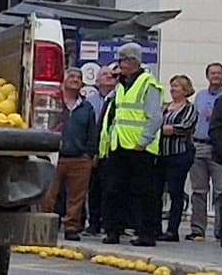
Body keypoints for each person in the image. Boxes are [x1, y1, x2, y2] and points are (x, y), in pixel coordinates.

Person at [95, 50, 163, 244]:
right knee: (114, 190)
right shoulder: (121, 86)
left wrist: (143, 141)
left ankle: (147, 233)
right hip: (119, 146)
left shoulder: (148, 84)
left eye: (122, 61)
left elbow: (155, 117)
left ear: (132, 62)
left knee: (144, 192)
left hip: (140, 148)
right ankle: (113, 230)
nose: (120, 65)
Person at [178, 62, 222, 244]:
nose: (215, 76)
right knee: (198, 191)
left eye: (218, 73)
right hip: (199, 145)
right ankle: (197, 229)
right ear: (207, 76)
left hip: (217, 148)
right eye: (212, 73)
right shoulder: (200, 97)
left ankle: (221, 229)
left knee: (220, 191)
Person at [51, 69, 101, 235]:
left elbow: (92, 131)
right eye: (71, 76)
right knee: (49, 195)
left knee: (77, 197)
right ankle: (48, 225)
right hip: (55, 155)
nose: (75, 80)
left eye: (79, 78)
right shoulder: (53, 102)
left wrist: (90, 153)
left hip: (80, 158)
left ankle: (71, 228)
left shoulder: (86, 107)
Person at [157, 73, 200, 238]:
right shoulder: (164, 106)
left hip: (179, 155)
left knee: (176, 192)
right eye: (172, 85)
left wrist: (166, 129)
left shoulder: (189, 108)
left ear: (185, 90)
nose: (173, 89)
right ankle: (155, 227)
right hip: (161, 154)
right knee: (157, 191)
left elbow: (183, 128)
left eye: (176, 86)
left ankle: (172, 229)